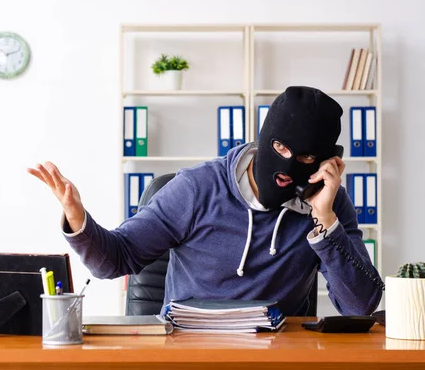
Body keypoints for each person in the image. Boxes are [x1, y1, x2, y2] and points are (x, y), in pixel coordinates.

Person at [27, 86, 383, 316]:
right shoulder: (197, 188)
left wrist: (326, 222)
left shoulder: (328, 203)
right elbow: (115, 259)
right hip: (188, 352)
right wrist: (77, 218)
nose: (288, 165)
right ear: (264, 140)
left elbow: (360, 305)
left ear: (325, 163)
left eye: (304, 159)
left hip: (275, 356)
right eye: (280, 148)